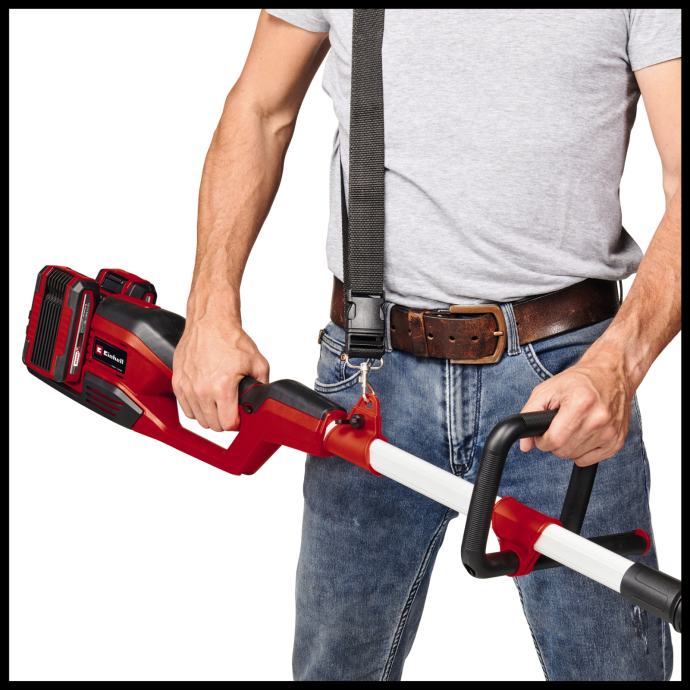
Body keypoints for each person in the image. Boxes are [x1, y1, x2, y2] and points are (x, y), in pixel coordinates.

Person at [171, 9, 681, 681]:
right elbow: (259, 109)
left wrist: (617, 365)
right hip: (369, 376)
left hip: (565, 383)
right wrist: (210, 308)